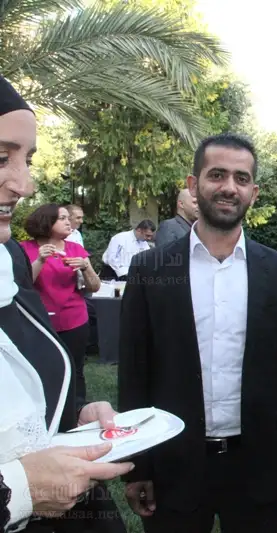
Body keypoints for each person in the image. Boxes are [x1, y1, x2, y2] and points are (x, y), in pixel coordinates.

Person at [118, 133, 277, 533]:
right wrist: (137, 464)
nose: (229, 187)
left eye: (241, 178)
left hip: (258, 462)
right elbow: (135, 372)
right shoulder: (151, 270)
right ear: (194, 185)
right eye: (217, 175)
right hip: (173, 461)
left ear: (253, 192)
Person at [0, 75, 132, 533]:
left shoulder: (8, 261)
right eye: (1, 158)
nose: (25, 183)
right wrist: (17, 492)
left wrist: (71, 415)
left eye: (28, 159)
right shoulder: (28, 253)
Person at [20, 204, 101, 402]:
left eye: (68, 218)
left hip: (74, 320)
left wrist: (86, 267)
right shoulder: (25, 249)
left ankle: (77, 407)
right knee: (40, 367)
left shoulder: (75, 249)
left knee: (75, 368)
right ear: (46, 221)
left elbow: (94, 287)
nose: (69, 222)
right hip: (39, 321)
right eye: (62, 218)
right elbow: (22, 285)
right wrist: (40, 260)